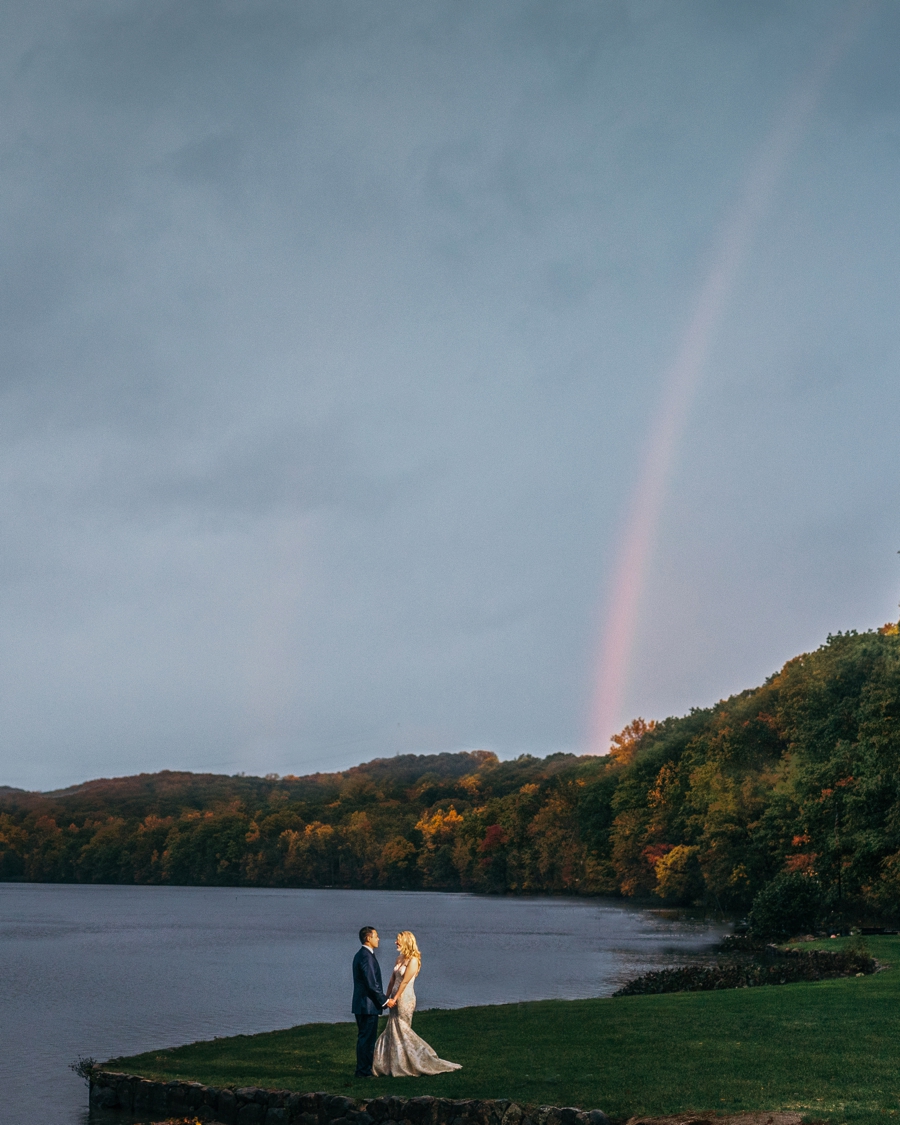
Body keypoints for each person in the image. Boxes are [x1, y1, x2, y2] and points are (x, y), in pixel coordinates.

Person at [372, 930, 461, 1077]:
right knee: (392, 1028)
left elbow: (405, 981)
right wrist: (386, 997)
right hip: (394, 996)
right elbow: (392, 980)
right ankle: (393, 1063)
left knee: (402, 1029)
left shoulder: (413, 960)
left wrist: (396, 998)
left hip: (405, 998)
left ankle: (412, 1061)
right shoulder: (399, 958)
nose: (396, 942)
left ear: (406, 941)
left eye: (398, 940)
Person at [351, 926, 395, 1077]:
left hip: (363, 1004)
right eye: (376, 936)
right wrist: (384, 1001)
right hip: (367, 1005)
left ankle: (363, 1069)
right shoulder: (366, 956)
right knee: (367, 1040)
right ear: (368, 938)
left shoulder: (362, 954)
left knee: (365, 1038)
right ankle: (363, 1072)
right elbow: (372, 984)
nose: (378, 939)